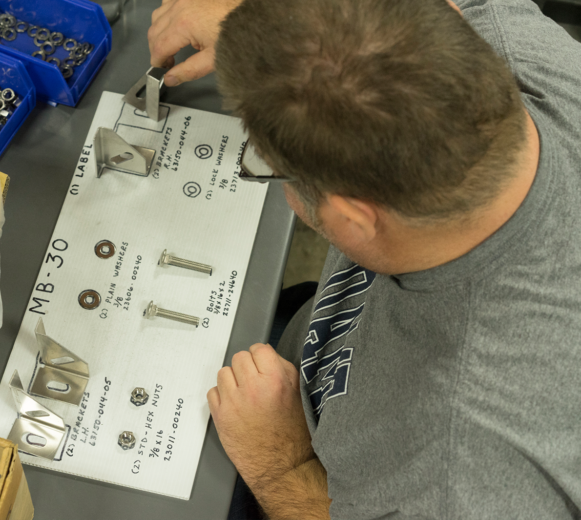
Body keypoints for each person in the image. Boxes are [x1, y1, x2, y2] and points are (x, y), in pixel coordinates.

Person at [149, 0, 581, 518]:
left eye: (269, 164)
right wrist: (274, 34)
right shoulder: (516, 47)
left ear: (353, 217)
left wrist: (282, 464)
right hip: (316, 350)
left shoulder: (460, 470)